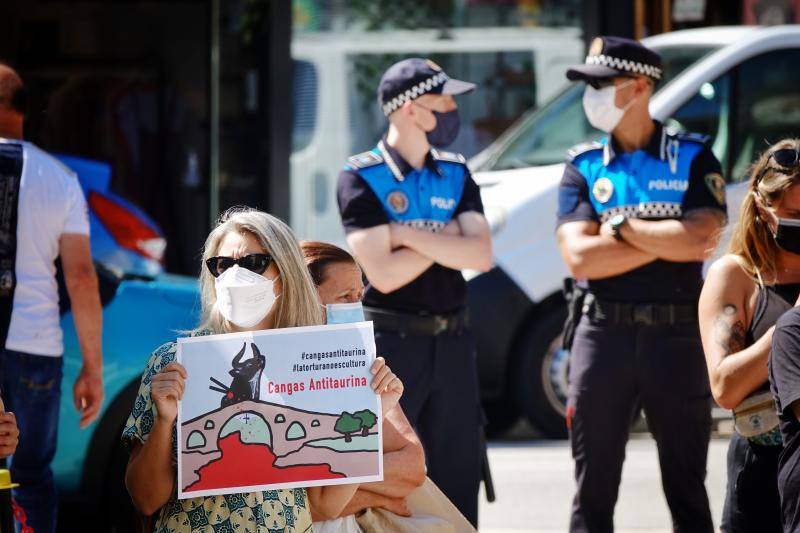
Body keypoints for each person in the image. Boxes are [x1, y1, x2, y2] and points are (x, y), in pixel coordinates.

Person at [122, 207, 404, 532]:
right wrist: (164, 421)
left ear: (286, 272)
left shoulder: (311, 363)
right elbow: (145, 500)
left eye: (253, 263)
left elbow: (325, 503)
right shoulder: (173, 362)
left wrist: (373, 415)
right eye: (223, 264)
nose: (235, 275)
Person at [556, 36, 727, 533]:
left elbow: (703, 237)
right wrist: (668, 238)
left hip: (676, 337)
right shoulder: (583, 164)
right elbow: (578, 255)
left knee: (687, 484)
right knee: (593, 487)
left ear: (639, 87)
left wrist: (620, 227)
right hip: (602, 334)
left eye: (602, 84)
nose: (591, 96)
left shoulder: (693, 156)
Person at [336, 57, 492, 526]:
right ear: (409, 108)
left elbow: (481, 254)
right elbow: (383, 273)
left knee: (460, 473)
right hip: (391, 346)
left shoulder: (456, 171)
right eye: (442, 100)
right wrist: (448, 238)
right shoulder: (361, 176)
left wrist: (405, 233)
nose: (451, 110)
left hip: (454, 342)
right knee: (392, 474)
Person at [0, 63, 104, 533]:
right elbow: (80, 277)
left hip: (31, 347)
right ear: (25, 108)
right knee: (30, 473)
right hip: (35, 347)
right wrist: (92, 368)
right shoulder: (59, 178)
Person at [699, 140, 800, 532]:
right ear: (763, 209)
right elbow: (724, 387)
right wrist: (789, 329)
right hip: (760, 466)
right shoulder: (735, 276)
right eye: (794, 215)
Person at [301, 240, 427, 524]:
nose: (356, 306)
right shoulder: (279, 371)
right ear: (305, 296)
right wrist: (380, 495)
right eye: (345, 297)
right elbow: (311, 506)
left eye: (359, 296)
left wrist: (336, 486)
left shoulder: (362, 365)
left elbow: (413, 467)